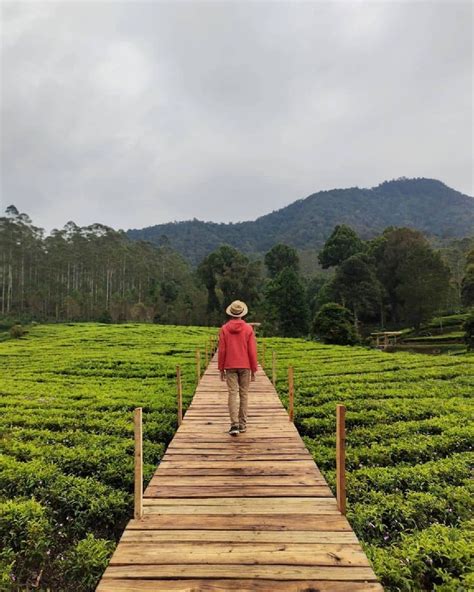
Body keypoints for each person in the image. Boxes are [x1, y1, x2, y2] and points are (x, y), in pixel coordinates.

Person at [218, 300, 258, 436]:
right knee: (244, 394)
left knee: (232, 394)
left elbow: (222, 350)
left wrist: (220, 368)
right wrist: (254, 369)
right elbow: (252, 351)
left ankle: (234, 424)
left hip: (230, 365)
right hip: (245, 365)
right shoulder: (248, 329)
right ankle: (242, 424)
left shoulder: (224, 329)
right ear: (242, 313)